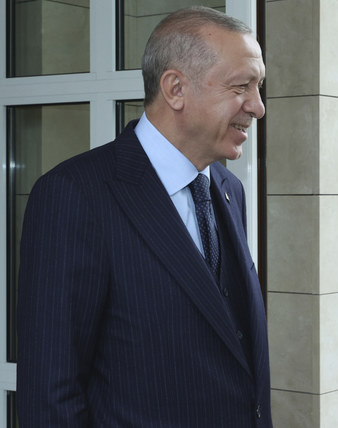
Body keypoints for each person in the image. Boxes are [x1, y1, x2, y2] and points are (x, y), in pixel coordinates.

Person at [17, 7, 271, 427]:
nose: (258, 107)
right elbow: (50, 396)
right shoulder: (75, 196)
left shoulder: (230, 191)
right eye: (242, 86)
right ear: (175, 89)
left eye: (258, 87)